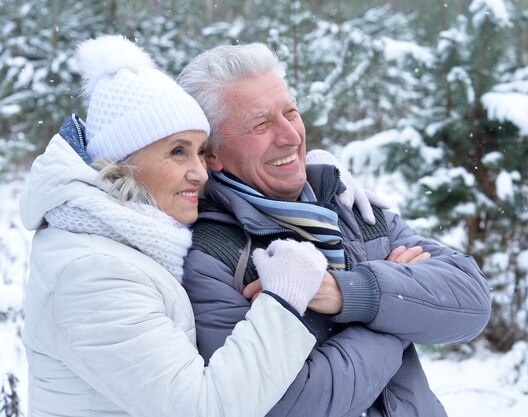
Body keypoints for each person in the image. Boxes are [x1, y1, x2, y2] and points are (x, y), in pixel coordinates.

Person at [19, 35, 330, 417]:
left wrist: (323, 180)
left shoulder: (130, 241)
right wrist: (283, 300)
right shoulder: (91, 273)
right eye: (177, 151)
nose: (200, 173)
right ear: (122, 163)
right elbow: (204, 409)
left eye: (200, 151)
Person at [178, 43, 492, 417]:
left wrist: (345, 294)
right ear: (211, 153)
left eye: (290, 112)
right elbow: (293, 406)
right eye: (261, 124)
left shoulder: (349, 207)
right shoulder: (212, 260)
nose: (290, 136)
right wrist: (397, 313)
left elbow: (472, 303)